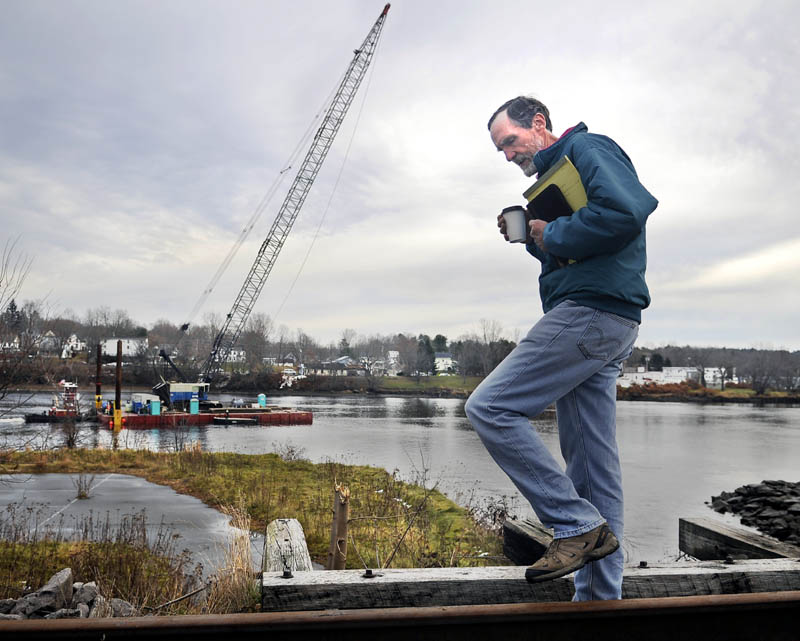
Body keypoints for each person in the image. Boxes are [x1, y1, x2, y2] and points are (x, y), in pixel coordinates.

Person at [464, 96, 657, 601]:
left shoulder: (588, 148)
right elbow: (577, 242)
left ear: (540, 123)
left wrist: (554, 232)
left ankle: (573, 525)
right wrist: (532, 236)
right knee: (592, 464)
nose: (508, 155)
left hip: (591, 313)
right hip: (604, 318)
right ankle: (598, 597)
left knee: (490, 406)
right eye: (500, 149)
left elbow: (626, 211)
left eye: (510, 141)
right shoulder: (552, 177)